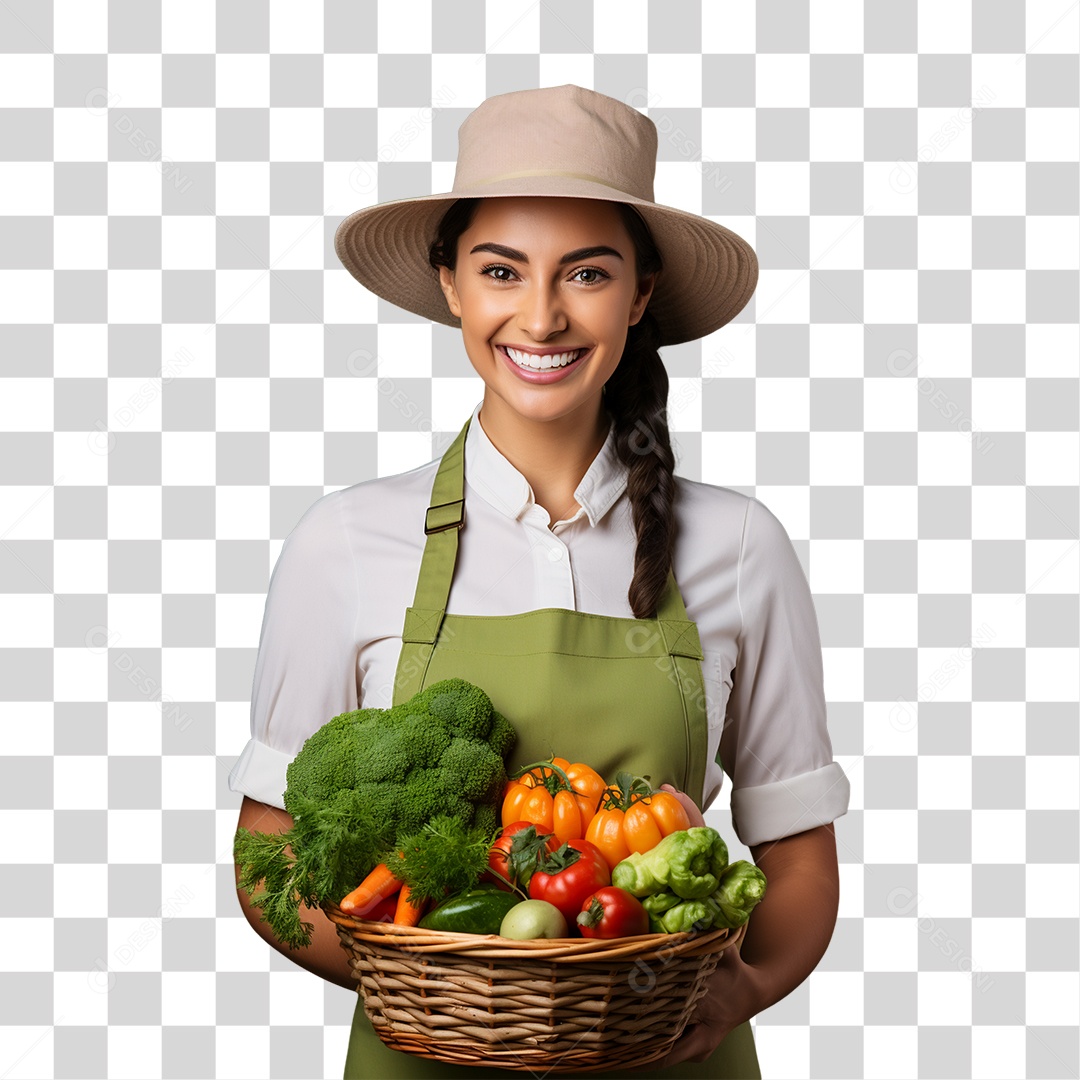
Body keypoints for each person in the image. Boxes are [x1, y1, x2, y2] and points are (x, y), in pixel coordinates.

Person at [229, 84, 850, 1079]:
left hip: (671, 1056)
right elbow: (270, 857)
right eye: (501, 271)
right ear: (451, 286)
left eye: (588, 273)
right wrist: (443, 989)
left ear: (640, 295)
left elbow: (798, 849)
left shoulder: (739, 545)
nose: (542, 315)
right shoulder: (343, 542)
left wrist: (750, 984)